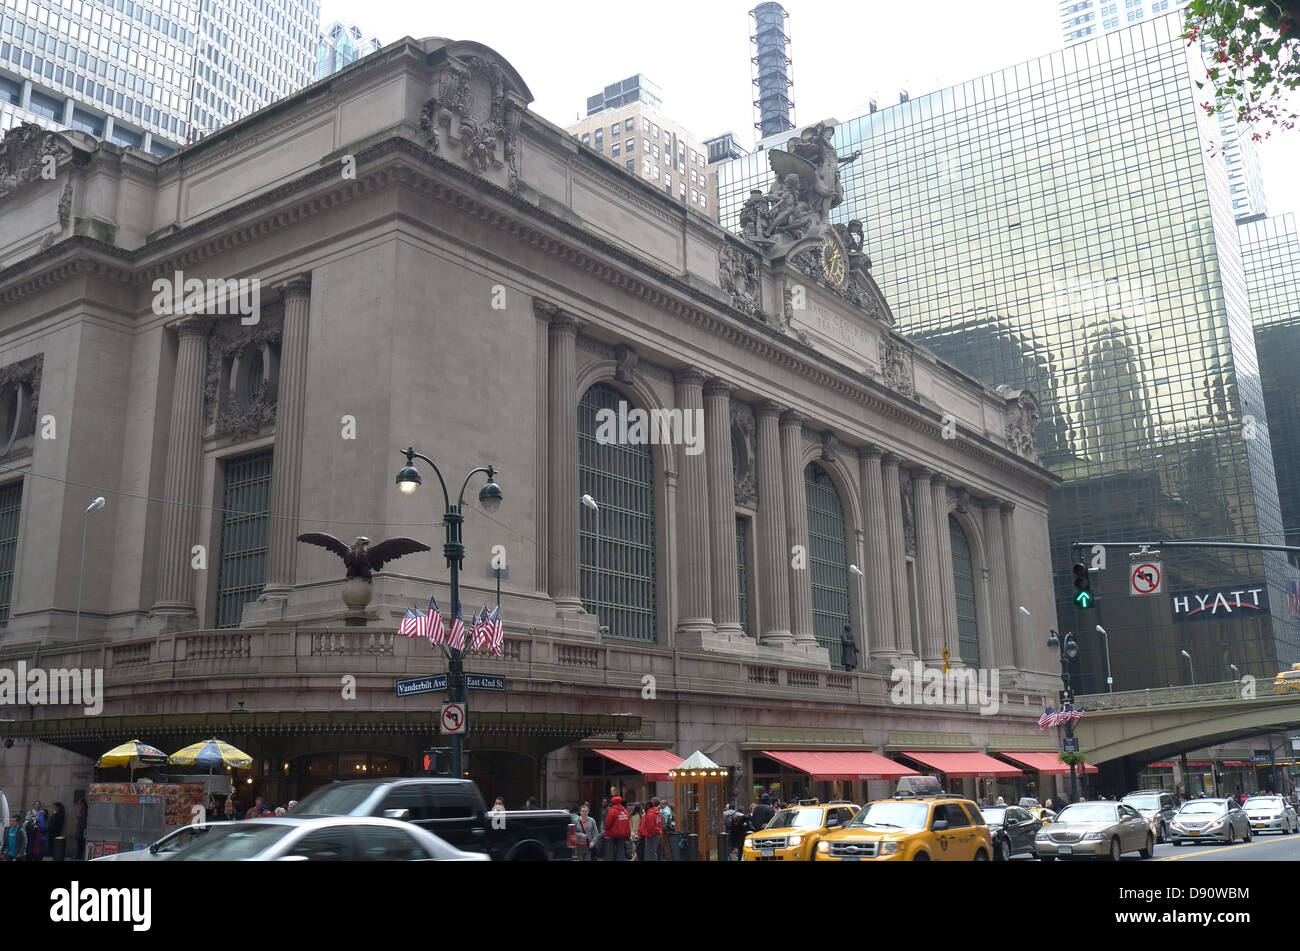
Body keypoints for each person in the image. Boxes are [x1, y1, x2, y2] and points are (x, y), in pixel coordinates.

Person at [603, 795, 631, 861]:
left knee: (610, 852)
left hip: (612, 835)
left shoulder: (612, 811)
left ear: (613, 802)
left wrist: (606, 830)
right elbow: (627, 824)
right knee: (621, 851)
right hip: (623, 835)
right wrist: (628, 834)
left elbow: (607, 824)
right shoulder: (625, 811)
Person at [641, 798, 663, 862]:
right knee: (653, 852)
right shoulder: (656, 812)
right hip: (657, 833)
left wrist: (648, 835)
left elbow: (650, 827)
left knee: (650, 853)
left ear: (647, 806)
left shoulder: (650, 814)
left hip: (652, 835)